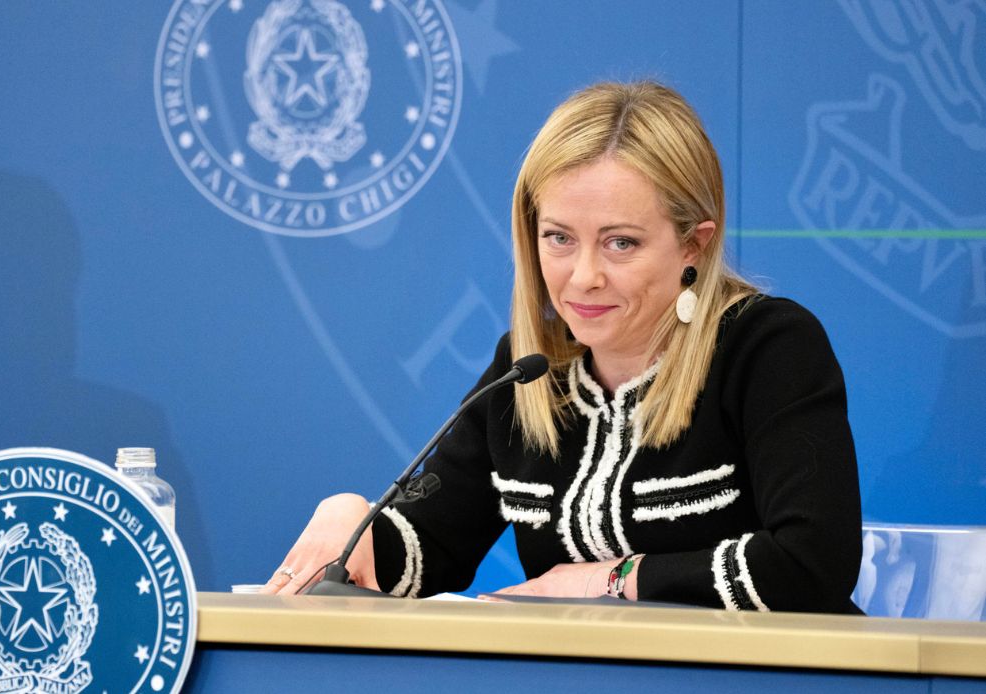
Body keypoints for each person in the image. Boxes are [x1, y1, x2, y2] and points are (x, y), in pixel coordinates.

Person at [261, 81, 863, 613]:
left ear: (693, 246)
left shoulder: (767, 347)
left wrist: (610, 580)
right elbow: (429, 548)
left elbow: (813, 564)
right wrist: (353, 521)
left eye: (621, 243)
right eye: (559, 238)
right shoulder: (528, 371)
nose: (584, 277)